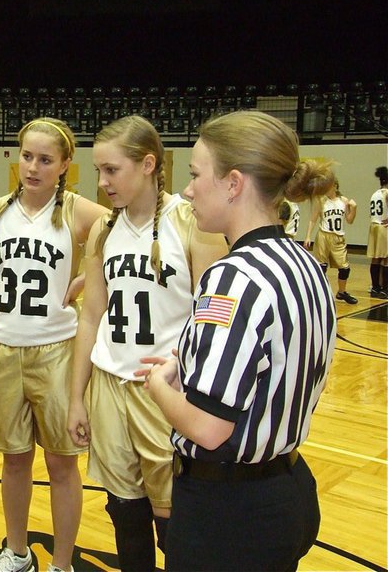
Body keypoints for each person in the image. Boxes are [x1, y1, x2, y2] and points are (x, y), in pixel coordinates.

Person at [140, 110, 336, 571]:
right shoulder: (305, 263)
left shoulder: (232, 276)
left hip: (229, 514)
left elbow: (208, 429)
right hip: (287, 491)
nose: (187, 191)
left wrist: (157, 386)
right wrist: (182, 363)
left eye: (194, 175)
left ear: (233, 183)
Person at [67, 116, 228, 572]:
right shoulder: (103, 231)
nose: (101, 182)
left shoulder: (191, 223)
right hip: (110, 386)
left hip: (165, 391)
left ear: (148, 164)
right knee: (123, 510)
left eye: (111, 170)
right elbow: (91, 317)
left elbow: (210, 318)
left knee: (173, 520)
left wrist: (180, 367)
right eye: (98, 171)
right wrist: (77, 396)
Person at [0, 117, 108, 572]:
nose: (34, 167)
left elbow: (126, 231)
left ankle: (62, 564)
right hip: (4, 351)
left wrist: (86, 276)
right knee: (14, 461)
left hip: (58, 352)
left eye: (46, 159)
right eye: (27, 156)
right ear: (17, 157)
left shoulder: (81, 211)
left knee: (62, 466)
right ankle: (17, 552)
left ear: (65, 165)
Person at [304, 176, 358, 304]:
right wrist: (308, 236)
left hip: (338, 237)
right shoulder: (321, 201)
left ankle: (341, 292)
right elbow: (313, 219)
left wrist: (354, 209)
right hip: (324, 235)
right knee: (321, 266)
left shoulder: (343, 201)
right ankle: (319, 292)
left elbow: (349, 220)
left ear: (335, 186)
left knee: (345, 268)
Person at [367, 165, 388, 298]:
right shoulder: (387, 193)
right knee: (386, 259)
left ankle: (375, 287)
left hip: (373, 226)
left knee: (375, 259)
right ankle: (385, 289)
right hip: (383, 227)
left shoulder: (375, 194)